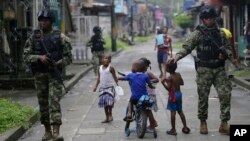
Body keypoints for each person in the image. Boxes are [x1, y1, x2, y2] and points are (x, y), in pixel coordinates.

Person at [168, 5, 233, 135]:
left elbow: (229, 49)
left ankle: (224, 123)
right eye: (207, 18)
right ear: (203, 19)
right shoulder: (198, 34)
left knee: (225, 95)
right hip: (204, 69)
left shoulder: (221, 34)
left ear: (215, 18)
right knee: (203, 97)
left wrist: (225, 54)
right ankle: (203, 122)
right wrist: (177, 57)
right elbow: (187, 47)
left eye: (212, 18)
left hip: (219, 69)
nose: (209, 20)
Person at [23, 9, 72, 141]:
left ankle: (56, 132)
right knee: (43, 103)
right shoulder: (34, 37)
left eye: (46, 20)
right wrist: (39, 57)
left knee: (54, 102)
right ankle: (47, 131)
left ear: (51, 22)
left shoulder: (60, 37)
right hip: (39, 75)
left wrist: (61, 62)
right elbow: (26, 56)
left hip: (54, 75)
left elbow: (69, 57)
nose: (43, 23)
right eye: (41, 21)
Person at [118, 60, 157, 129]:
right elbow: (150, 85)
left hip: (135, 97)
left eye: (132, 67)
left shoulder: (131, 75)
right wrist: (152, 86)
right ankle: (152, 123)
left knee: (131, 101)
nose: (131, 68)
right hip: (145, 97)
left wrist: (117, 78)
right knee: (148, 109)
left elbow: (123, 78)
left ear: (136, 69)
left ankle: (129, 113)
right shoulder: (145, 76)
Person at [161, 62, 190, 135]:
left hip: (173, 96)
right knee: (180, 111)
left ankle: (173, 130)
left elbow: (168, 89)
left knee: (173, 112)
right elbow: (182, 83)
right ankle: (185, 127)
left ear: (167, 69)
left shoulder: (169, 78)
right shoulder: (178, 74)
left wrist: (163, 83)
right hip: (179, 94)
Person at [93, 54, 118, 123]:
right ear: (102, 60)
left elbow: (115, 77)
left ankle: (110, 114)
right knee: (104, 103)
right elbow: (99, 78)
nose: (106, 60)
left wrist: (117, 83)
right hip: (102, 88)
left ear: (109, 61)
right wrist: (95, 86)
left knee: (109, 102)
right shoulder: (99, 68)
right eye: (105, 58)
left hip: (110, 87)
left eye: (108, 59)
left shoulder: (111, 68)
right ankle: (107, 117)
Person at [139, 57, 159, 129]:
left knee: (147, 110)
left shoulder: (148, 73)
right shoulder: (139, 74)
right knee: (147, 110)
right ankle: (153, 122)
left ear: (146, 66)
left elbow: (157, 79)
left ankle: (153, 124)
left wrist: (150, 81)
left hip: (150, 94)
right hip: (143, 94)